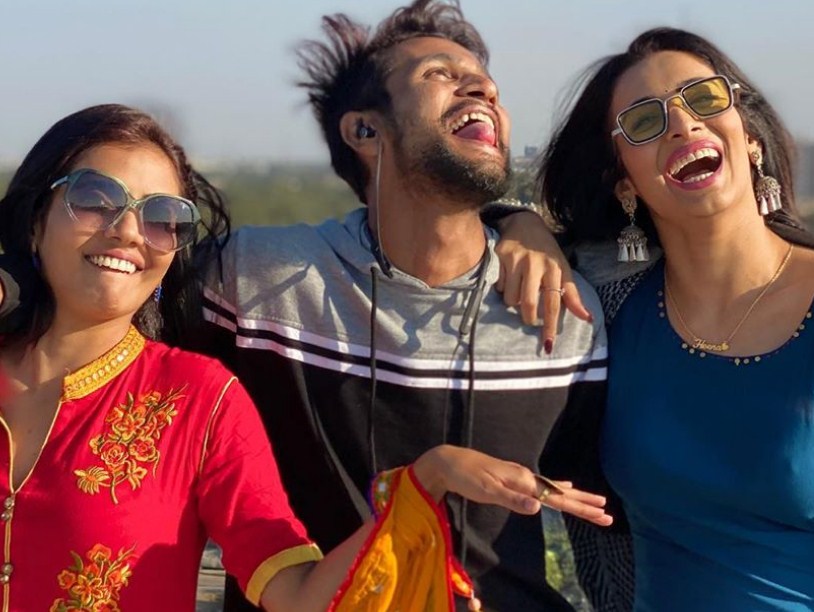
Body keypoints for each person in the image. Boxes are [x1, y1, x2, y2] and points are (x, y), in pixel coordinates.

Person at [0, 103, 612, 611]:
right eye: (95, 199)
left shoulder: (199, 400)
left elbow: (296, 594)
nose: (130, 231)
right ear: (35, 220)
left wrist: (428, 479)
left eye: (164, 217)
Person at [199, 1, 611, 610]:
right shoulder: (257, 283)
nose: (484, 88)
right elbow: (98, 286)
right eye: (439, 74)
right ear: (365, 132)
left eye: (488, 84)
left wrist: (521, 223)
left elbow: (611, 526)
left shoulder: (564, 309)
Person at [539, 27, 814, 610]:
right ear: (624, 183)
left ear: (750, 137)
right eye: (644, 122)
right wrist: (518, 228)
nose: (683, 124)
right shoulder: (604, 315)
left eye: (704, 99)